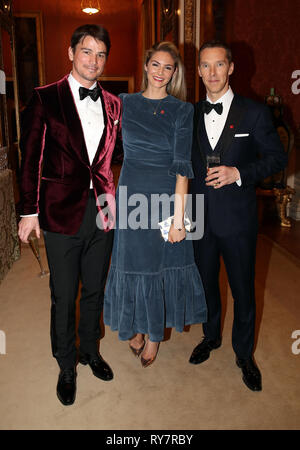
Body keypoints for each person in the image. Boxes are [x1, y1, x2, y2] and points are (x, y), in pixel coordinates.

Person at [18, 24, 122, 405]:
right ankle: (66, 365)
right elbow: (30, 158)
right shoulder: (46, 98)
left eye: (100, 54)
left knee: (95, 288)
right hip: (60, 212)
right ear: (70, 52)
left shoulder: (113, 103)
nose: (93, 61)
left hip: (103, 212)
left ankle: (90, 350)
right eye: (86, 51)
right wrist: (28, 210)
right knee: (64, 294)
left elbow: (115, 156)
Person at [189, 40, 287, 391]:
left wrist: (239, 173)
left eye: (219, 65)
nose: (212, 73)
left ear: (231, 68)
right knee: (206, 284)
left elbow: (277, 158)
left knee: (243, 289)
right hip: (200, 218)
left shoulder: (256, 113)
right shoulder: (189, 113)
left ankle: (244, 354)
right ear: (198, 70)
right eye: (205, 65)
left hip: (238, 219)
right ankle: (211, 336)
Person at [104, 41, 207, 367]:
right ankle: (134, 326)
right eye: (156, 65)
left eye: (168, 67)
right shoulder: (124, 103)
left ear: (174, 72)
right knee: (133, 264)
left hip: (166, 198)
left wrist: (179, 219)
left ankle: (153, 336)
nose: (161, 72)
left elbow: (182, 167)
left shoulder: (182, 110)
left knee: (160, 267)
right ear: (146, 65)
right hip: (131, 192)